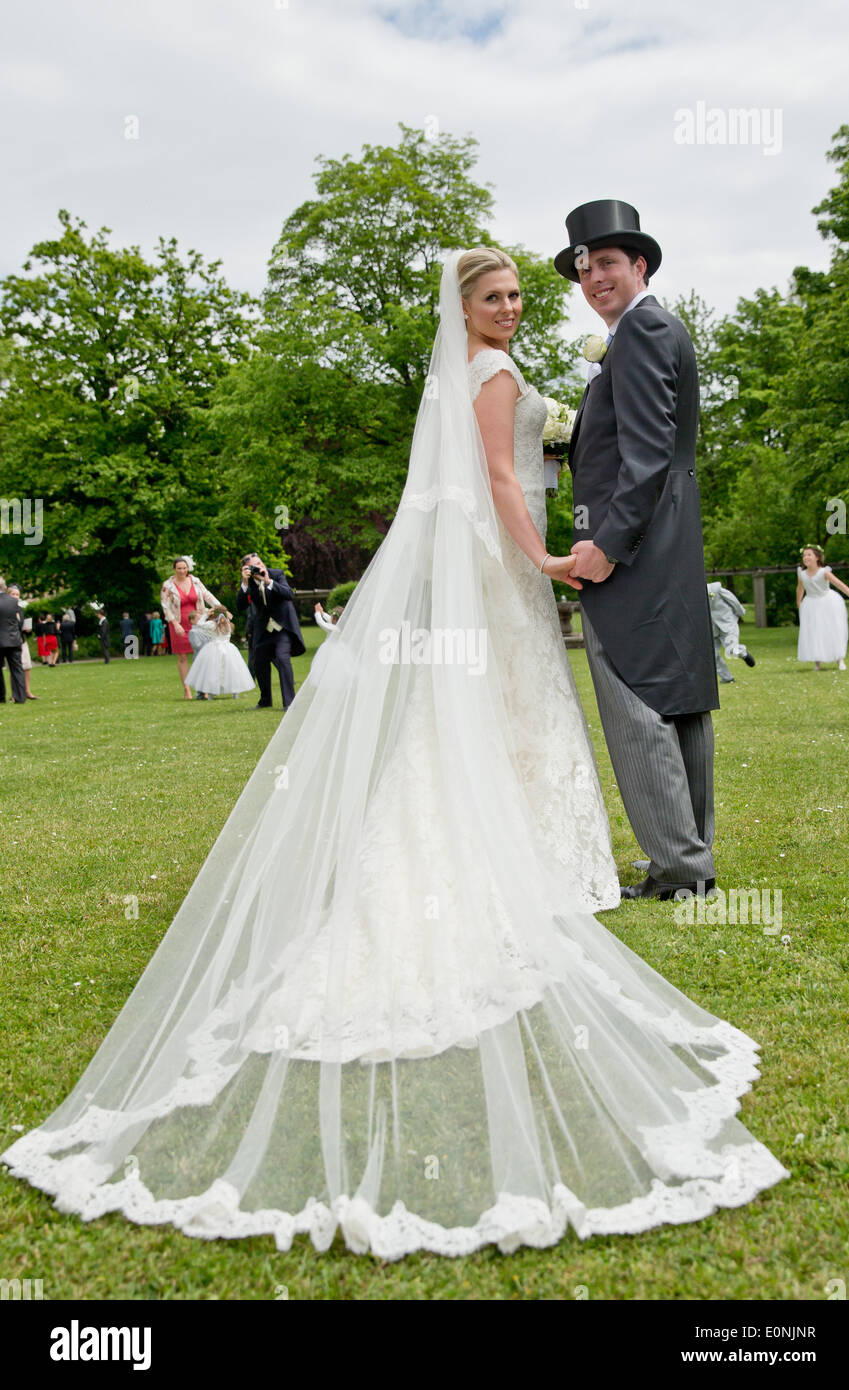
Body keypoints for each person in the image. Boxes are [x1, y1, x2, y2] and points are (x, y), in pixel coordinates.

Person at [1, 249, 787, 1260]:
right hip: (500, 564)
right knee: (504, 711)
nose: (509, 308)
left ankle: (500, 846)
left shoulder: (455, 376)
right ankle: (518, 858)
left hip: (474, 565)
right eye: (493, 297)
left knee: (469, 719)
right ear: (462, 308)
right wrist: (545, 559)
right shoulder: (492, 377)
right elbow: (502, 480)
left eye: (513, 296)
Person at [559, 200, 718, 902]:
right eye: (585, 270)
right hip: (669, 538)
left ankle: (681, 870)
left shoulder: (643, 330)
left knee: (636, 702)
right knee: (676, 699)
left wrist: (607, 548)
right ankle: (687, 861)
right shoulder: (648, 330)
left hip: (637, 547)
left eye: (607, 265)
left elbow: (649, 457)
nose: (594, 279)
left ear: (640, 265)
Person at [235, 553, 305, 709]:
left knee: (282, 658)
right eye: (254, 566)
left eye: (260, 563)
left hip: (282, 626)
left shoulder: (276, 574)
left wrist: (268, 582)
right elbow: (240, 606)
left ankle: (289, 702)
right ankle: (265, 700)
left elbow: (289, 594)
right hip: (263, 628)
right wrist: (245, 583)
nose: (259, 567)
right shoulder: (248, 582)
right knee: (259, 661)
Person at [160, 558, 223, 699]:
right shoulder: (167, 586)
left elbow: (207, 595)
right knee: (182, 656)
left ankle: (203, 688)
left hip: (197, 622)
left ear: (188, 568)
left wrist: (219, 607)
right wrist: (175, 624)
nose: (182, 571)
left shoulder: (195, 581)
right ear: (174, 569)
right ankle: (186, 688)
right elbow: (165, 607)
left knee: (202, 654)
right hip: (178, 623)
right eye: (179, 568)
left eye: (184, 568)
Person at [796, 545, 849, 670]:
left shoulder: (824, 572)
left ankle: (840, 659)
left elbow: (839, 584)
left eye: (809, 554)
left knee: (832, 629)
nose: (806, 557)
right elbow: (800, 589)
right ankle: (817, 661)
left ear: (817, 557)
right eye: (804, 555)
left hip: (828, 602)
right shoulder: (802, 574)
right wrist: (799, 604)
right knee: (814, 632)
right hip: (811, 604)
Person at [187, 606, 256, 700]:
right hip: (228, 649)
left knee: (212, 671)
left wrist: (205, 615)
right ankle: (235, 692)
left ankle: (211, 693)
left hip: (214, 648)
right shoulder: (227, 624)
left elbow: (199, 624)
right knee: (232, 670)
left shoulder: (212, 624)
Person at [707, 582, 756, 683]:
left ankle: (744, 653)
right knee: (711, 655)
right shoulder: (692, 597)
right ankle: (727, 678)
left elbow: (731, 599)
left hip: (727, 623)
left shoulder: (715, 589)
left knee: (731, 649)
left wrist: (740, 612)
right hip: (712, 628)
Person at [0, 583, 27, 704]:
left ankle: (1, 697)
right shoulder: (13, 602)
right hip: (13, 639)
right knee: (17, 669)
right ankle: (20, 697)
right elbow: (19, 623)